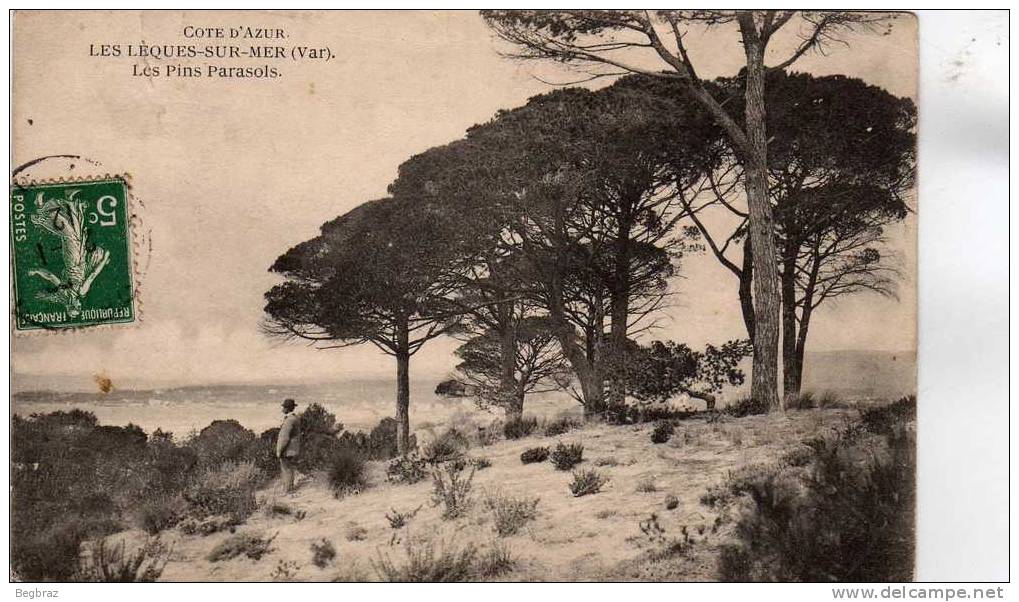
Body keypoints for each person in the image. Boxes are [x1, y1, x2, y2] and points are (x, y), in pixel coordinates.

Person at [276, 398, 301, 493]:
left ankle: (287, 490)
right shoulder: (295, 418)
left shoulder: (289, 420)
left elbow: (285, 437)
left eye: (284, 407)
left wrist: (279, 450)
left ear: (287, 408)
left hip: (287, 449)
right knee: (290, 468)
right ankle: (289, 488)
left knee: (286, 469)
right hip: (293, 449)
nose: (282, 409)